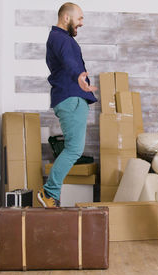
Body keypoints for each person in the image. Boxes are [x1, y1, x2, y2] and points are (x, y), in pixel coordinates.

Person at [37, 2, 98, 208]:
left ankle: (51, 194)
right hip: (71, 97)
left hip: (70, 97)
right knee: (73, 149)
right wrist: (79, 77)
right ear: (66, 18)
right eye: (79, 18)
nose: (81, 23)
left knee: (74, 149)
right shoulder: (60, 38)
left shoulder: (59, 38)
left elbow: (67, 61)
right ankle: (49, 192)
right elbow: (69, 61)